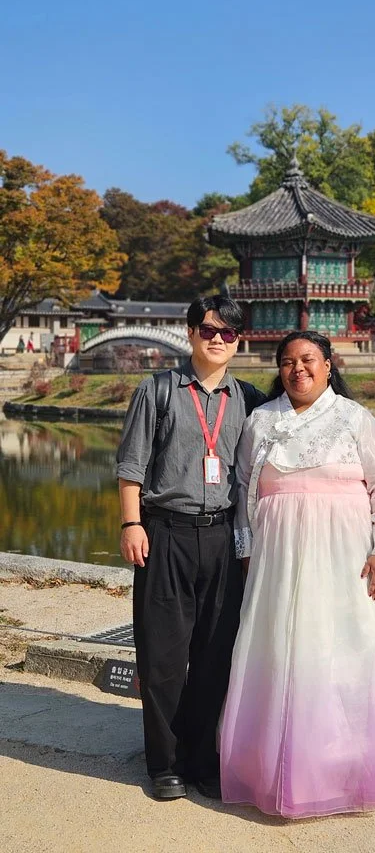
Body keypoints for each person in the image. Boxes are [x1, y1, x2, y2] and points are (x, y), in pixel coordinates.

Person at [221, 330, 375, 819]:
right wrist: (246, 550)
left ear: (328, 365)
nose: (298, 369)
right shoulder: (261, 421)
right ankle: (281, 762)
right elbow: (244, 488)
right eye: (288, 361)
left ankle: (361, 758)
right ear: (279, 369)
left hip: (347, 552)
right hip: (278, 555)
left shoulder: (356, 418)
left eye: (308, 360)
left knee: (354, 642)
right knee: (283, 644)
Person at [116, 295, 266, 802]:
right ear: (190, 333)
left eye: (228, 332)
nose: (217, 339)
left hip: (223, 537)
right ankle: (165, 764)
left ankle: (203, 760)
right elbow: (131, 466)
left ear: (239, 341)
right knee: (162, 654)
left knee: (215, 655)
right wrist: (131, 523)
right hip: (165, 533)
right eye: (208, 330)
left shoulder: (248, 399)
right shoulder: (157, 390)